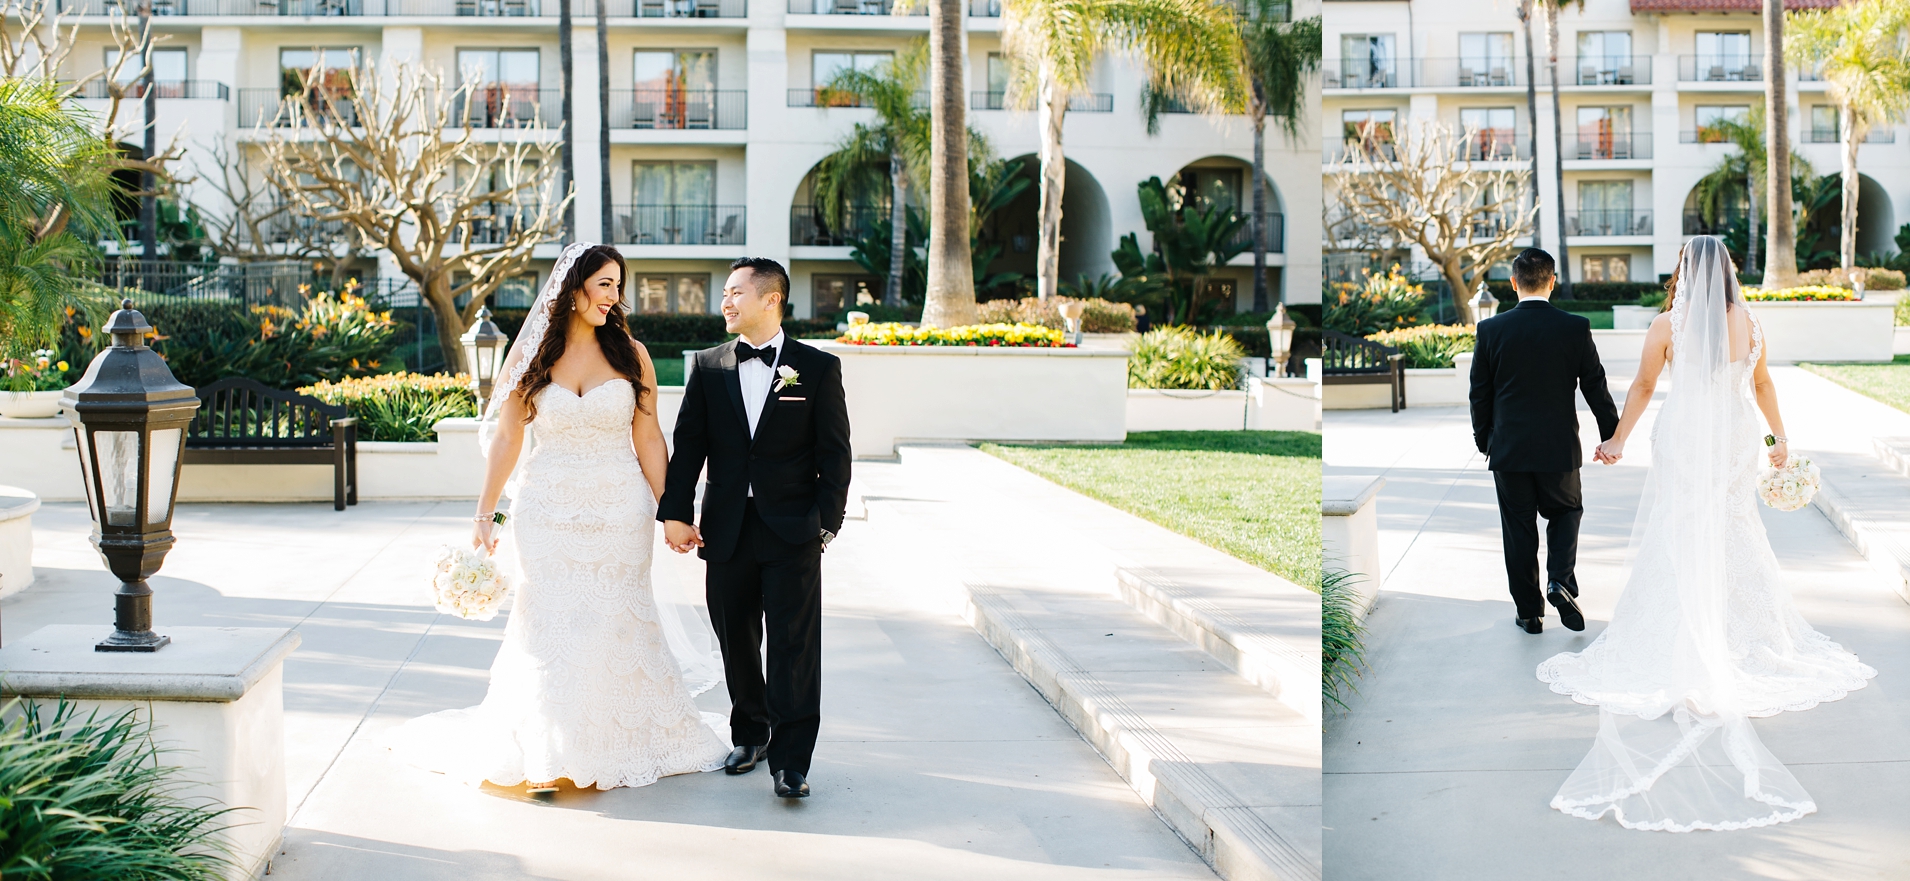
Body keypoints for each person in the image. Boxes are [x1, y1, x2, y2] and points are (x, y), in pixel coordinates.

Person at [1537, 235, 1875, 830]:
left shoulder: (1668, 324)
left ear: (1684, 272)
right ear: (1727, 274)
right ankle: (1744, 635)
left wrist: (1617, 440)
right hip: (1735, 438)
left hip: (1687, 436)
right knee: (1735, 526)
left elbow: (1642, 388)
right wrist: (1778, 442)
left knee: (1679, 529)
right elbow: (1764, 386)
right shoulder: (1752, 323)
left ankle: (1681, 633)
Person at [389, 242, 729, 791]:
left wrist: (672, 511)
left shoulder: (631, 354)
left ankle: (614, 742)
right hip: (545, 511)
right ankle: (546, 752)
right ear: (574, 290)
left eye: (619, 285)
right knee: (547, 628)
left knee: (616, 620)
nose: (614, 296)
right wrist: (486, 515)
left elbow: (647, 436)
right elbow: (507, 437)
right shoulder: (532, 360)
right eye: (604, 284)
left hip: (620, 511)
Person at [660, 256, 852, 800]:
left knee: (793, 646)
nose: (726, 302)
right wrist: (676, 511)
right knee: (735, 638)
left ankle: (792, 762)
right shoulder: (708, 365)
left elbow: (835, 455)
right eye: (724, 293)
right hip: (726, 529)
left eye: (736, 291)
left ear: (772, 298)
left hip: (793, 530)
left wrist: (825, 526)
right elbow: (688, 446)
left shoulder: (816, 368)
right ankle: (750, 734)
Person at [1468, 247, 1621, 634]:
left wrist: (1486, 441)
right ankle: (1560, 581)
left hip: (1509, 449)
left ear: (1513, 283)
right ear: (1553, 281)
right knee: (1566, 512)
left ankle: (1529, 613)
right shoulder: (1575, 326)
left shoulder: (1490, 330)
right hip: (1558, 448)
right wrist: (1612, 436)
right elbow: (1595, 386)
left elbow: (1479, 393)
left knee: (1518, 529)